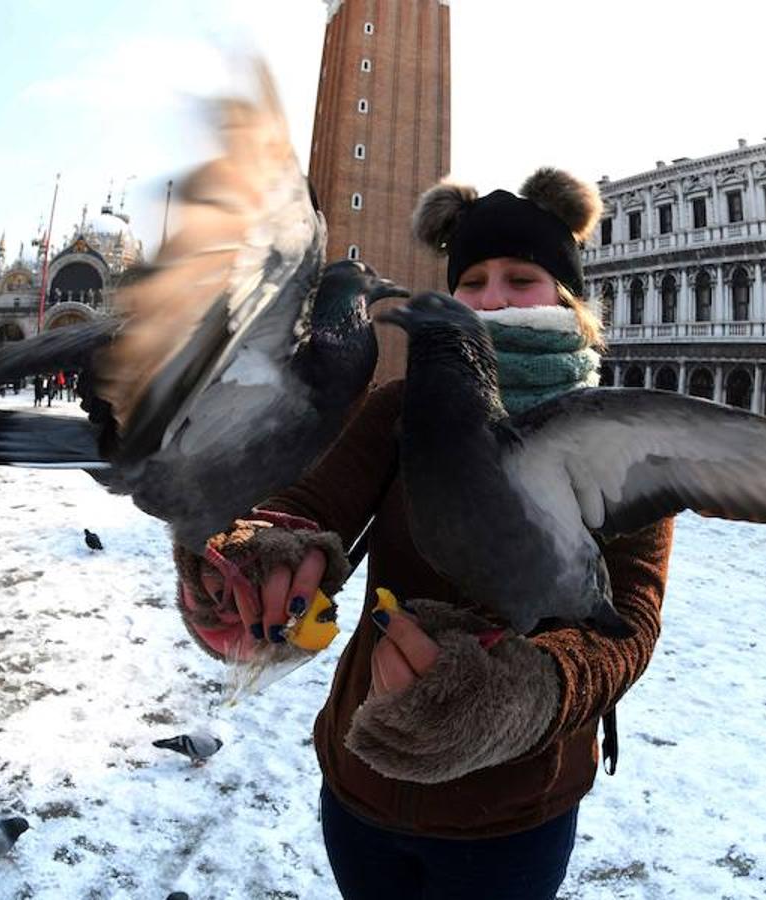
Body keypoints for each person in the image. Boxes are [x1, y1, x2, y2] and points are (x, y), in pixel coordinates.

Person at [174, 170, 674, 900]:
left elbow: (628, 623)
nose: (493, 298)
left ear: (565, 295)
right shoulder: (399, 408)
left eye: (521, 277)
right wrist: (251, 554)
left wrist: (516, 696)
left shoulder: (623, 438)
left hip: (510, 815)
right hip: (361, 782)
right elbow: (315, 503)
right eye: (471, 281)